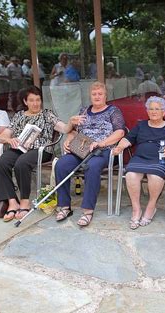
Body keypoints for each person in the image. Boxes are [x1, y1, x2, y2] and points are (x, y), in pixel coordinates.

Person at [0, 86, 79, 222]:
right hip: (20, 148)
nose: (36, 103)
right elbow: (3, 136)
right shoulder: (19, 116)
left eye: (38, 100)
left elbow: (64, 128)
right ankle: (12, 201)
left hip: (41, 150)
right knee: (1, 163)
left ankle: (24, 202)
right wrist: (9, 139)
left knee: (21, 163)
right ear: (25, 101)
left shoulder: (47, 114)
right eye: (32, 100)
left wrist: (70, 122)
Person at [54, 81, 125, 226]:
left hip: (103, 150)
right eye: (94, 94)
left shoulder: (113, 111)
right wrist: (69, 138)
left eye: (100, 94)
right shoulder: (83, 111)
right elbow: (75, 131)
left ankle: (87, 210)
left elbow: (120, 132)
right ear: (90, 96)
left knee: (92, 166)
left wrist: (101, 143)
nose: (97, 96)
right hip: (81, 148)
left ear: (106, 95)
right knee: (61, 164)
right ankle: (64, 206)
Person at [112, 96, 165, 229]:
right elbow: (128, 139)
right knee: (131, 175)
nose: (153, 111)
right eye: (151, 109)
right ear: (147, 111)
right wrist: (120, 146)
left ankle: (151, 207)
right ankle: (136, 210)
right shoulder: (141, 125)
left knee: (154, 177)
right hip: (140, 157)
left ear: (164, 112)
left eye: (157, 109)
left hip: (159, 158)